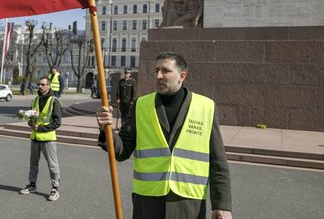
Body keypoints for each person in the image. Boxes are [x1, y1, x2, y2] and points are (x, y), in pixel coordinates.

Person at [96, 52, 232, 219]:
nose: (159, 76)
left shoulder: (205, 107)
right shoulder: (141, 105)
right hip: (148, 202)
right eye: (156, 70)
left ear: (182, 76)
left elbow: (218, 162)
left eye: (166, 71)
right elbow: (122, 150)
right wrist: (106, 130)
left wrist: (222, 205)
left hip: (188, 204)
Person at [20, 77, 62, 201]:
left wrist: (40, 129)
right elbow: (32, 117)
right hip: (35, 137)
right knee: (33, 164)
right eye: (39, 84)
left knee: (53, 165)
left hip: (48, 138)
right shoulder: (35, 100)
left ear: (48, 86)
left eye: (43, 84)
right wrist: (30, 123)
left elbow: (57, 122)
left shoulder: (55, 101)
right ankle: (32, 185)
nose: (40, 86)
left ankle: (55, 188)